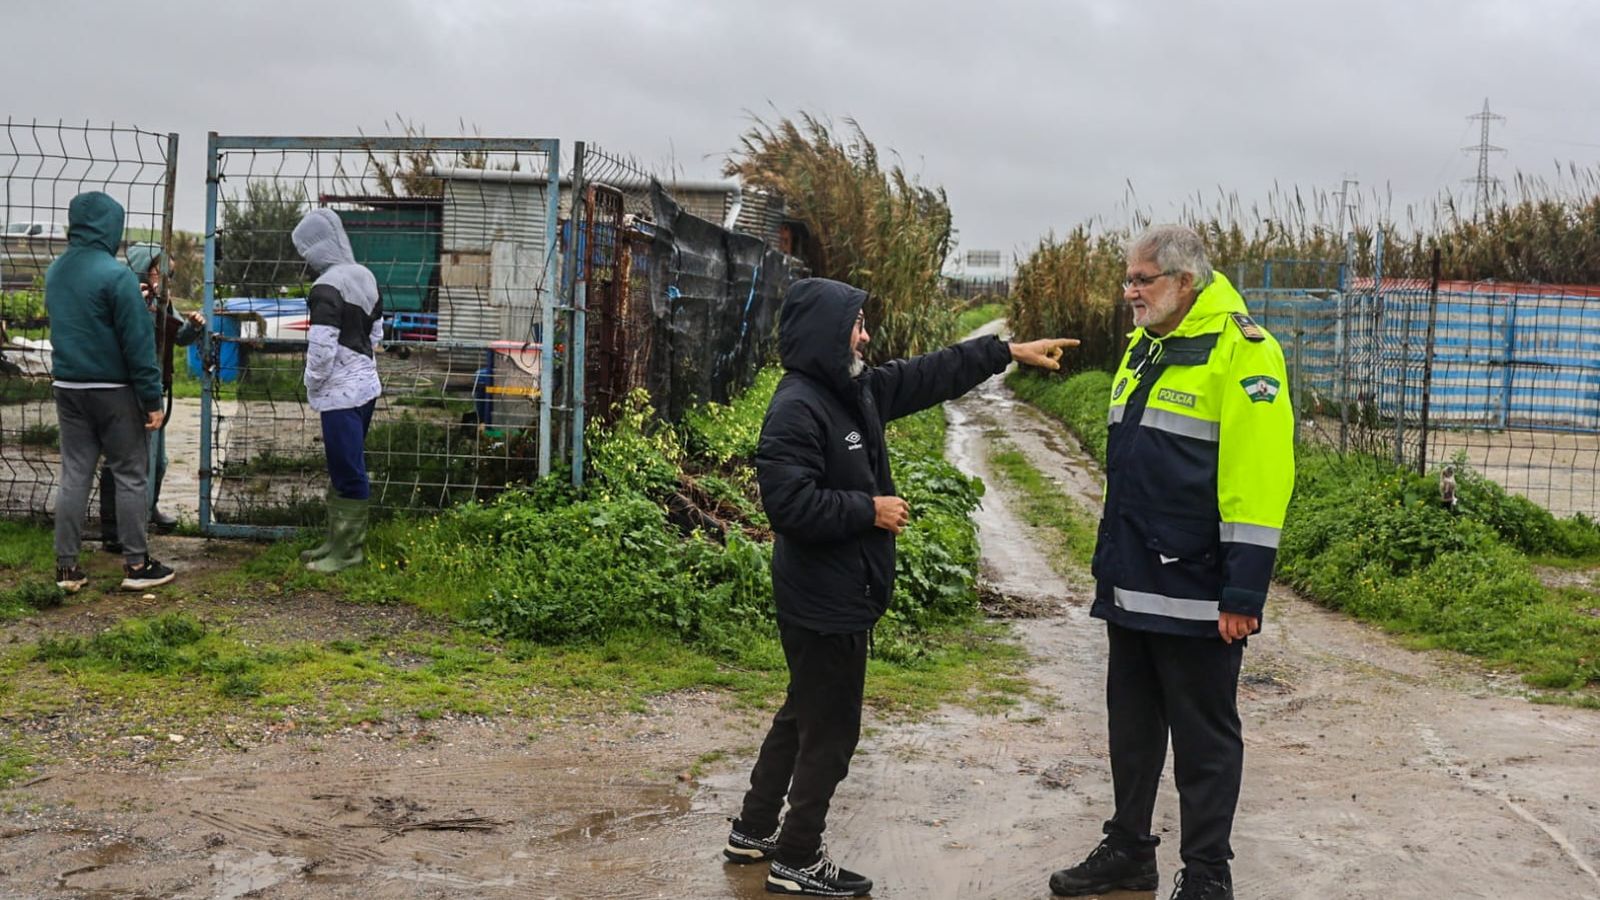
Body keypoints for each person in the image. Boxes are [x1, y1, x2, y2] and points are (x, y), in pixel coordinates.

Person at [724, 277, 1077, 897]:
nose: (865, 335)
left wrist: (1006, 352)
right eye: (856, 326)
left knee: (805, 712)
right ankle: (797, 858)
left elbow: (927, 374)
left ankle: (754, 832)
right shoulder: (798, 407)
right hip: (823, 599)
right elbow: (788, 505)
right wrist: (870, 510)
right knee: (831, 734)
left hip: (834, 593)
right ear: (826, 335)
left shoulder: (851, 392)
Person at [1047, 225, 1294, 900]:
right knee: (1130, 726)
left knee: (1203, 738)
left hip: (1197, 587)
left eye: (1142, 280)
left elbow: (1260, 478)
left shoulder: (1244, 353)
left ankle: (1208, 875)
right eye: (1127, 279)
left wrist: (1244, 589)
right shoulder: (1146, 347)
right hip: (1131, 581)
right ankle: (1129, 849)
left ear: (1185, 281)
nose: (1130, 292)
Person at [47, 192, 176, 593]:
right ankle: (136, 565)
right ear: (111, 226)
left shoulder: (56, 271)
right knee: (130, 474)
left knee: (74, 475)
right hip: (114, 391)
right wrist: (152, 400)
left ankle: (67, 569)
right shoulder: (117, 275)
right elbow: (137, 345)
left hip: (67, 386)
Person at [290, 208, 383, 574]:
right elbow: (377, 333)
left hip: (339, 392)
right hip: (365, 384)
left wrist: (312, 381)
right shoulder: (365, 275)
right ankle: (336, 542)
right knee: (348, 464)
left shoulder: (326, 286)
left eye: (305, 251)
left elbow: (322, 345)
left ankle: (347, 553)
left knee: (346, 467)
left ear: (316, 247)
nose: (305, 260)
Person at [98, 243, 204, 552]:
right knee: (124, 460)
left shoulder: (164, 301)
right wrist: (143, 308)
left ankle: (149, 508)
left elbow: (177, 337)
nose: (165, 279)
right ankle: (113, 528)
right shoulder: (129, 298)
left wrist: (192, 328)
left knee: (158, 462)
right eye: (160, 272)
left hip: (155, 388)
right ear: (144, 269)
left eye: (169, 274)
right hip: (129, 389)